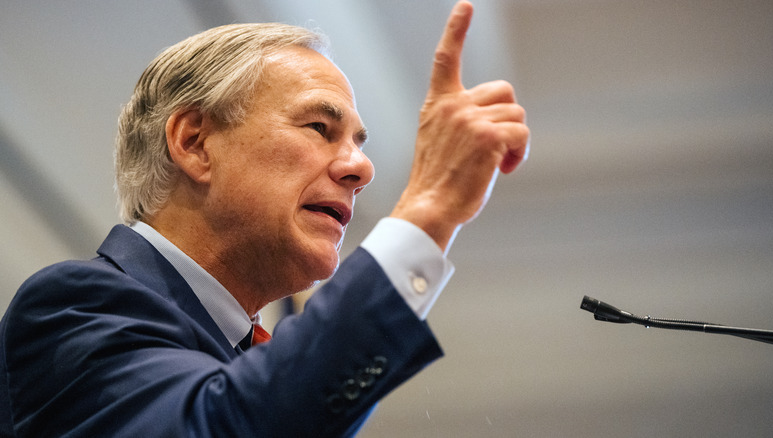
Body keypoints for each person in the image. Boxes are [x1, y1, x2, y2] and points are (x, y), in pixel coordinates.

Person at [0, 1, 528, 436]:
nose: (360, 168)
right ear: (195, 143)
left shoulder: (260, 348)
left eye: (358, 144)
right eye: (321, 127)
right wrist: (427, 212)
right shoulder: (72, 307)